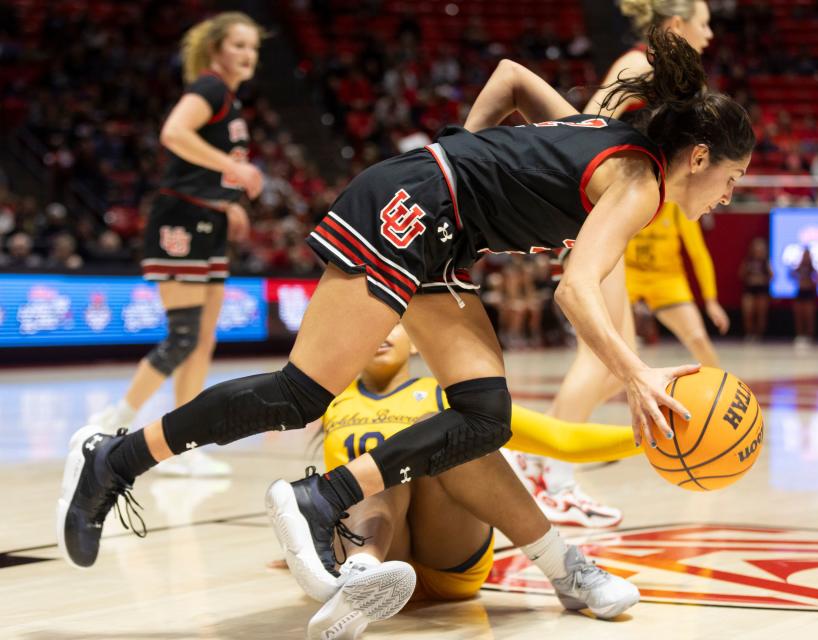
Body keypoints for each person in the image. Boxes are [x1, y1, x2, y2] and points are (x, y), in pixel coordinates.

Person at [57, 30, 754, 625]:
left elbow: (511, 78)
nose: (729, 195)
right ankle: (113, 461)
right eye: (732, 179)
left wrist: (465, 150)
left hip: (445, 230)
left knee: (484, 417)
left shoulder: (606, 136)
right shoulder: (640, 182)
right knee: (302, 394)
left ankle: (321, 497)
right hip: (413, 205)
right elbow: (576, 289)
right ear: (698, 157)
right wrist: (636, 374)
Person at [511, 0, 721, 529]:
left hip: (611, 215)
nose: (711, 32)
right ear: (676, 26)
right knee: (608, 361)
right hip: (593, 212)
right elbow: (585, 130)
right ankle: (545, 472)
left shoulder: (657, 72)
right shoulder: (639, 65)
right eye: (704, 21)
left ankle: (534, 457)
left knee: (620, 363)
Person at [299, 323, 650, 637]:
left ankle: (566, 570)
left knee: (456, 432)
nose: (381, 333)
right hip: (379, 545)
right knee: (374, 468)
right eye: (372, 327)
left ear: (418, 340)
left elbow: (560, 438)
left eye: (395, 324)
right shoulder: (333, 403)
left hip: (450, 551)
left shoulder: (448, 394)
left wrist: (650, 438)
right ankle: (360, 578)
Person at [84, 12, 264, 477]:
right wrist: (236, 169)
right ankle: (112, 423)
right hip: (180, 219)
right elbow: (173, 133)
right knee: (184, 335)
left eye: (253, 47)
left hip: (208, 216)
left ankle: (180, 444)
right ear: (215, 51)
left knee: (204, 338)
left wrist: (228, 202)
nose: (248, 55)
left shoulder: (230, 100)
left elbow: (204, 169)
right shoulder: (207, 88)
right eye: (238, 45)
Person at [739, 237, 772, 341]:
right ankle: (749, 333)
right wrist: (750, 277)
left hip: (761, 291)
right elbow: (740, 274)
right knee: (748, 313)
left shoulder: (766, 263)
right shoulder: (748, 261)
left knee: (760, 314)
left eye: (761, 249)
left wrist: (762, 279)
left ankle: (759, 335)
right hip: (749, 290)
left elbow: (772, 276)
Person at [791, 247, 818, 349]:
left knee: (808, 315)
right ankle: (800, 335)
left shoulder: (812, 268)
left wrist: (812, 283)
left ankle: (809, 335)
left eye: (808, 255)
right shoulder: (799, 267)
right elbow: (791, 275)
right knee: (799, 315)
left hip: (809, 294)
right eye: (804, 255)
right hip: (800, 293)